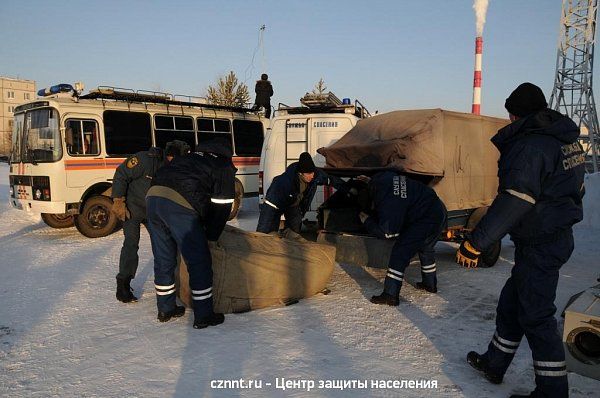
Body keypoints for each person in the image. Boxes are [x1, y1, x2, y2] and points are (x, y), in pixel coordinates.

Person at [457, 83, 586, 398]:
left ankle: (552, 391)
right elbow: (576, 188)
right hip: (550, 236)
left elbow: (515, 199)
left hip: (542, 240)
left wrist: (476, 243)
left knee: (537, 317)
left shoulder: (531, 146)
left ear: (515, 114)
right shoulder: (565, 141)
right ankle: (494, 363)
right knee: (512, 303)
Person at [145, 136, 236, 328]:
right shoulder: (222, 166)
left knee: (163, 259)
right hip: (179, 205)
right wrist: (211, 236)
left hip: (153, 199)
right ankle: (204, 315)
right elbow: (222, 207)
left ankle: (165, 309)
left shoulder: (189, 157)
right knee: (199, 260)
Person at [112, 140, 191, 303]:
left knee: (164, 245)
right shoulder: (145, 159)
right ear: (169, 156)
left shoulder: (176, 167)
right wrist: (118, 200)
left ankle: (170, 282)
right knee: (131, 243)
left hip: (154, 212)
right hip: (132, 209)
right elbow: (121, 174)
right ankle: (123, 285)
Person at [356, 171, 447, 306]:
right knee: (426, 248)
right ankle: (430, 284)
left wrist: (367, 220)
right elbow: (380, 183)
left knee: (400, 252)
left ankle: (390, 295)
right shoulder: (383, 178)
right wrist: (369, 181)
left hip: (424, 218)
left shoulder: (389, 202)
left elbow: (387, 233)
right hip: (439, 210)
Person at [256, 152, 346, 234]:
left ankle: (291, 245)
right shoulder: (282, 183)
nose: (312, 176)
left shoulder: (315, 175)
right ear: (301, 173)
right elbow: (268, 211)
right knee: (269, 232)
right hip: (277, 203)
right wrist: (261, 235)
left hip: (294, 204)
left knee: (294, 229)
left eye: (313, 172)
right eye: (309, 173)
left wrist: (348, 188)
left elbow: (330, 179)